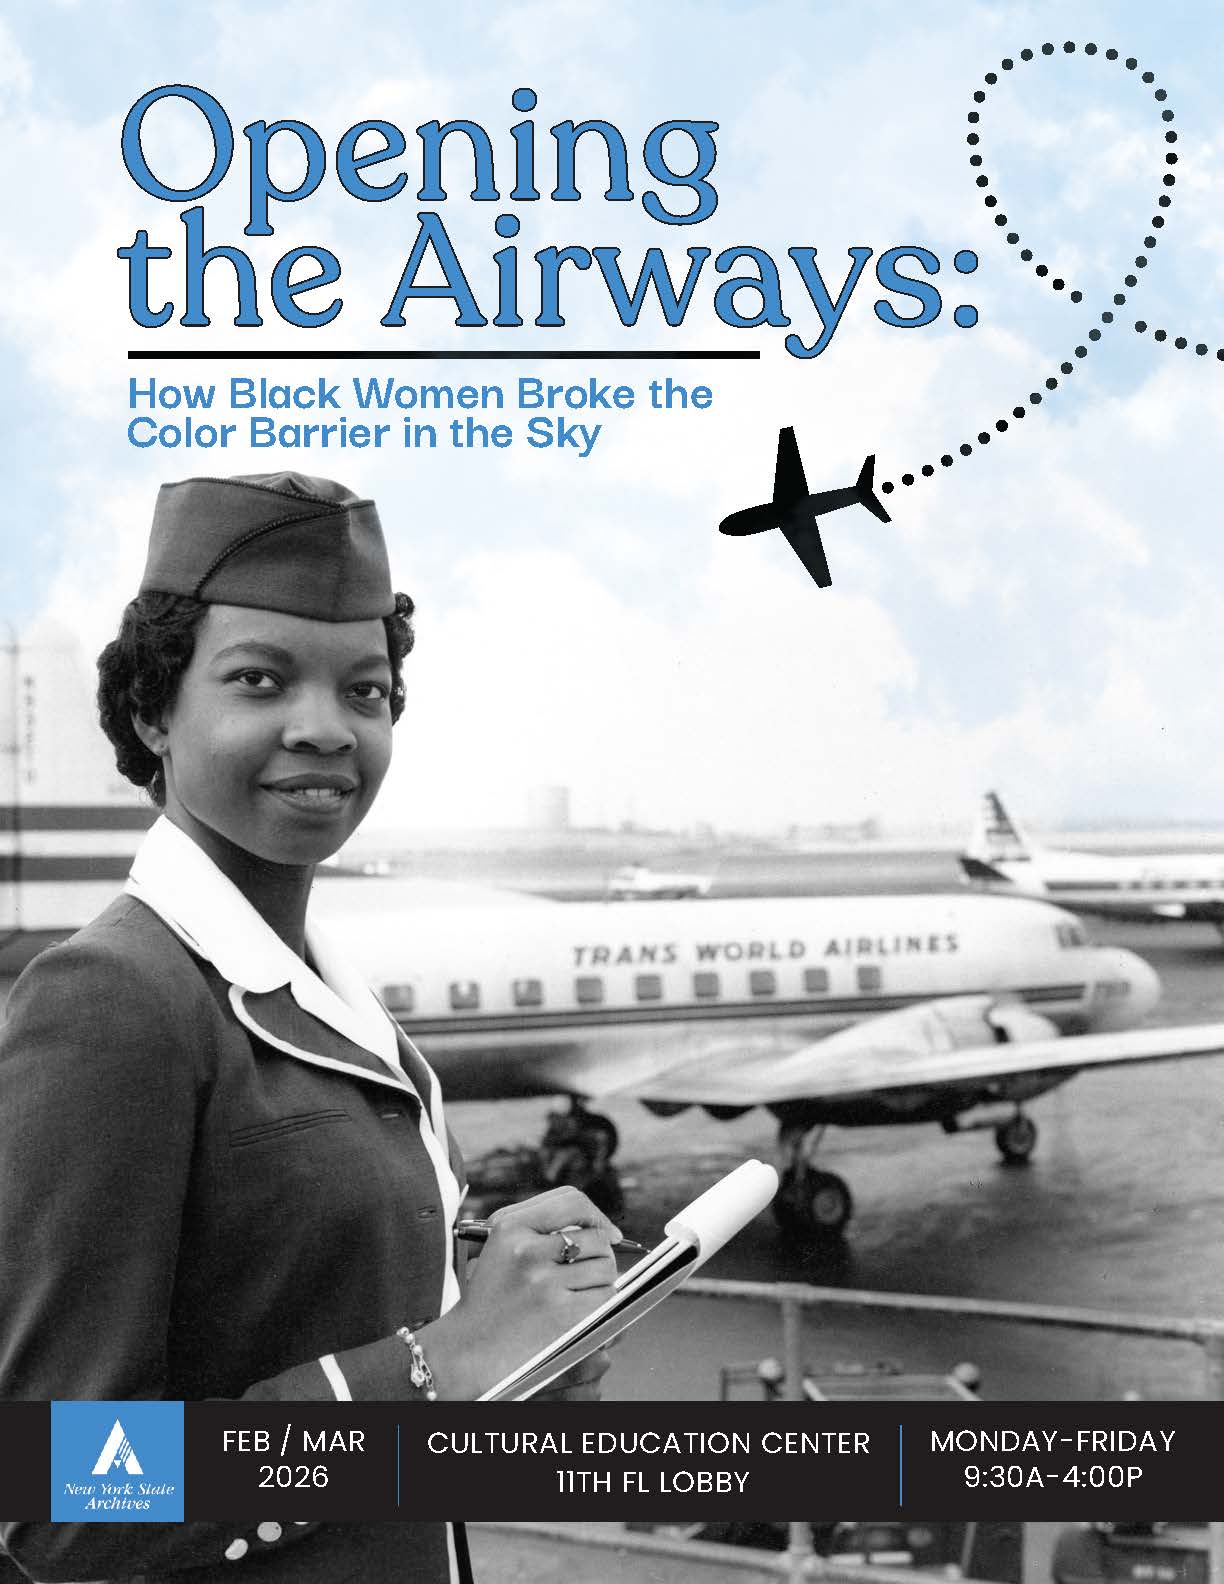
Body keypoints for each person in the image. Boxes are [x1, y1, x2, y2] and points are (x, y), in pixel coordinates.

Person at [0, 472, 619, 1583]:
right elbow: (58, 1493)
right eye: (259, 680)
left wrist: (515, 1330)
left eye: (367, 692)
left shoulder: (323, 991)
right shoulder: (112, 1001)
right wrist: (435, 1368)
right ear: (153, 711)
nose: (327, 729)